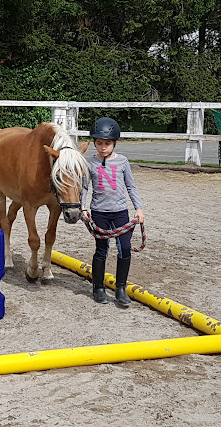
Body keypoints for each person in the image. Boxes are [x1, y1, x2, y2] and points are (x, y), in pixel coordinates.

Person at [81, 117, 145, 306]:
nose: (103, 147)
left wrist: (138, 208)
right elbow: (84, 188)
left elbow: (131, 187)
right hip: (99, 212)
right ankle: (98, 288)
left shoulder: (123, 162)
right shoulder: (89, 163)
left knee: (124, 248)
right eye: (99, 143)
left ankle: (120, 288)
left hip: (120, 212)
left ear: (114, 143)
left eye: (107, 144)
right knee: (101, 250)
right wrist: (83, 207)